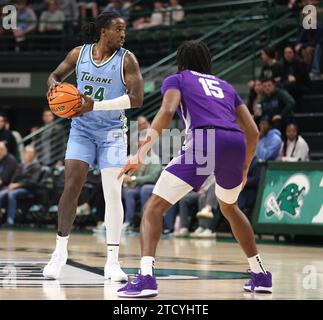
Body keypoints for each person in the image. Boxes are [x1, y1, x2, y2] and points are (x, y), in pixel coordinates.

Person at [117, 41, 272, 297]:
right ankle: (260, 274)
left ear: (181, 61)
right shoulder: (226, 86)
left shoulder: (177, 79)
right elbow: (253, 132)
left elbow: (167, 111)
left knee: (153, 208)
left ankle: (146, 278)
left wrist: (140, 153)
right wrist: (244, 168)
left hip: (206, 141)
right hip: (235, 143)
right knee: (230, 208)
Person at [42, 12, 144, 282]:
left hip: (112, 133)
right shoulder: (79, 54)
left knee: (112, 192)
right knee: (71, 187)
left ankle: (112, 261)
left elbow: (136, 99)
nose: (123, 34)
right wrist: (54, 88)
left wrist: (94, 105)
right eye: (118, 29)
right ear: (103, 31)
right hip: (82, 130)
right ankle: (59, 252)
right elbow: (54, 75)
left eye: (124, 30)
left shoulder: (127, 59)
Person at [0, 145, 41, 226]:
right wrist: (11, 184)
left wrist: (18, 185)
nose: (28, 154)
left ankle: (10, 220)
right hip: (16, 188)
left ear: (34, 154)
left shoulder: (37, 166)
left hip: (29, 190)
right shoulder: (21, 165)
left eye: (30, 153)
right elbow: (14, 178)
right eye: (26, 152)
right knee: (1, 194)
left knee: (12, 194)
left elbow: (33, 182)